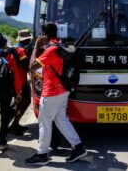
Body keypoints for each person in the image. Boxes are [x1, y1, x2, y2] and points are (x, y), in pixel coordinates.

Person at [25, 22, 87, 166]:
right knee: (61, 119)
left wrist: (35, 47)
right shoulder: (60, 45)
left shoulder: (50, 50)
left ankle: (42, 154)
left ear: (44, 35)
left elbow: (32, 67)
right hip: (63, 90)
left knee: (44, 122)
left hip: (52, 92)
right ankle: (78, 147)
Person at [8, 29, 33, 135]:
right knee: (26, 101)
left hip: (15, 80)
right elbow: (26, 67)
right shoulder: (22, 51)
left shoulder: (14, 48)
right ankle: (14, 124)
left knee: (19, 102)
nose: (29, 41)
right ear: (26, 40)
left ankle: (15, 124)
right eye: (28, 40)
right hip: (21, 81)